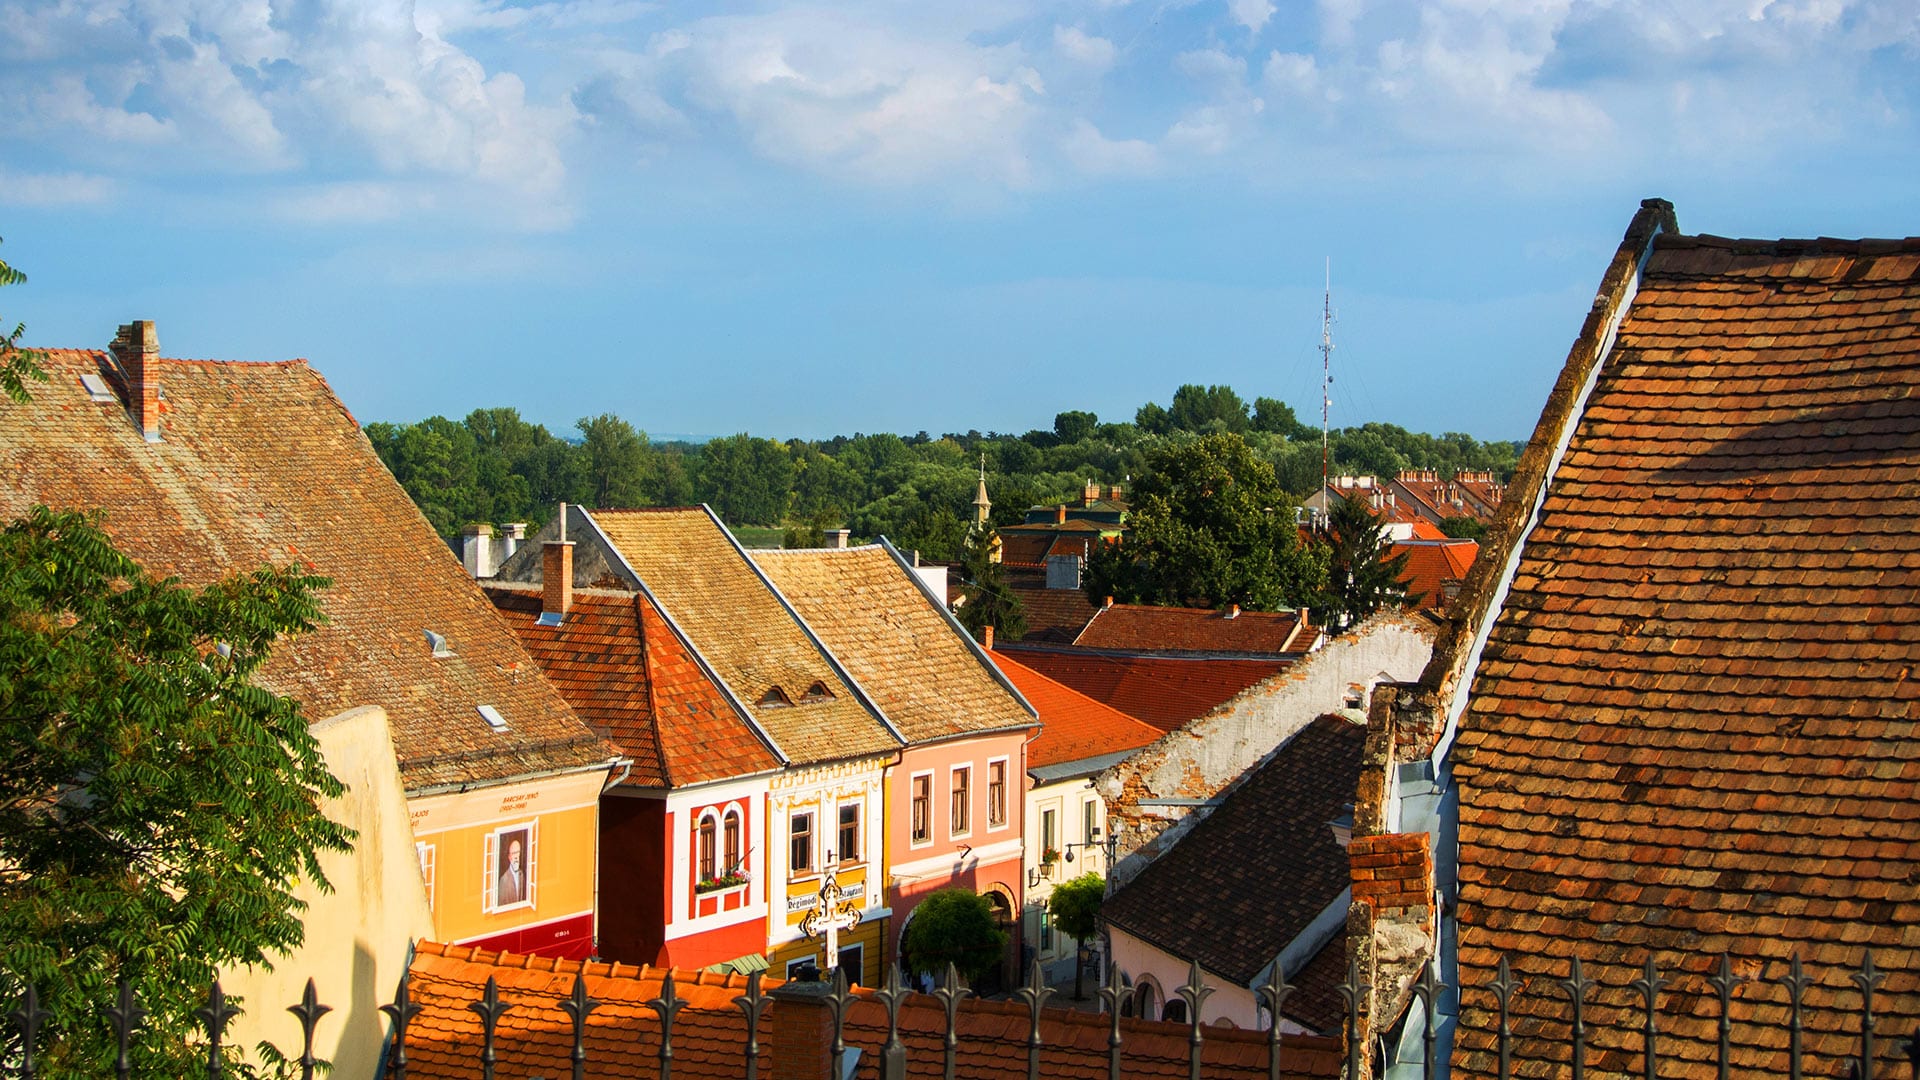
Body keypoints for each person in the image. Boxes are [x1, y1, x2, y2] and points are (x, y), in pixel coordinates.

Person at [498, 837, 527, 906]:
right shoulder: (504, 880)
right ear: (509, 857)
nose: (516, 856)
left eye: (518, 852)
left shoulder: (521, 875)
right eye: (514, 853)